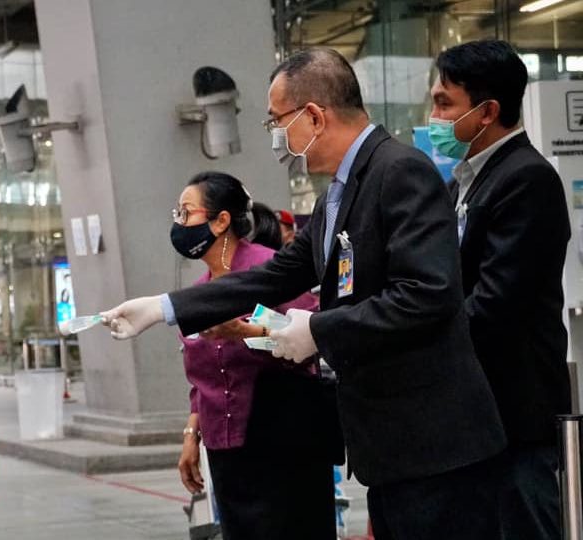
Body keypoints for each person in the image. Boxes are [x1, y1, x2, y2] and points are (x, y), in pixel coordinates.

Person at [102, 48, 507, 540]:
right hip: (391, 449)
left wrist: (317, 330)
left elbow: (426, 295)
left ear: (314, 116)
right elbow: (274, 276)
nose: (277, 138)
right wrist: (164, 307)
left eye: (278, 122)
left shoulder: (399, 172)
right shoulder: (336, 193)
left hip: (436, 445)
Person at [430, 39, 571, 540]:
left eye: (444, 103)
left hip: (515, 411)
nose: (433, 116)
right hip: (472, 415)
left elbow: (494, 304)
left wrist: (415, 345)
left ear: (488, 110)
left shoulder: (526, 179)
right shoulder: (461, 183)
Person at [173, 171, 334, 539]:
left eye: (186, 212)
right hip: (226, 446)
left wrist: (243, 332)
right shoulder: (200, 291)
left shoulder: (270, 270)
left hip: (283, 439)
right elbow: (201, 376)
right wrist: (190, 434)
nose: (179, 223)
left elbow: (310, 339)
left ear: (221, 220)